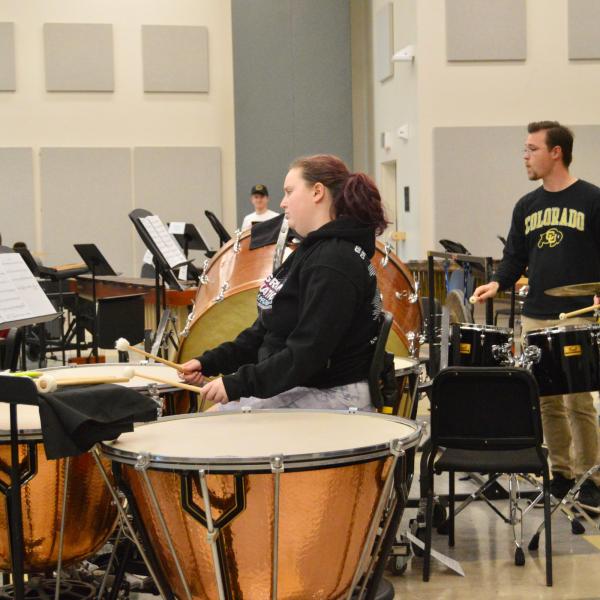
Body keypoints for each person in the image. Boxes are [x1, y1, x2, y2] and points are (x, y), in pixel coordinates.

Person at [181, 154, 387, 411]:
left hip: (333, 393)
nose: (282, 202)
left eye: (289, 192)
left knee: (211, 428)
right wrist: (210, 362)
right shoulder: (313, 250)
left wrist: (238, 384)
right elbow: (264, 332)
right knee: (209, 422)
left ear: (317, 192)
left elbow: (308, 352)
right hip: (304, 384)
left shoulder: (333, 261)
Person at [472, 121, 600, 508]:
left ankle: (590, 477)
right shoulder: (527, 205)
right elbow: (515, 257)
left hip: (577, 315)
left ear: (555, 152)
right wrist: (497, 283)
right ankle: (560, 474)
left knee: (578, 400)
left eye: (532, 149)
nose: (525, 157)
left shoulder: (592, 199)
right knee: (547, 400)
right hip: (536, 314)